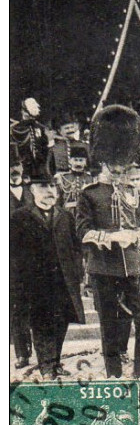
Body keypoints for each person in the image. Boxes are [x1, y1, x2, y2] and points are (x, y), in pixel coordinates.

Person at [76, 105, 140, 379]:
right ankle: (114, 375)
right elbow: (83, 232)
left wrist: (139, 233)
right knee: (110, 326)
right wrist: (110, 238)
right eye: (117, 166)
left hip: (133, 266)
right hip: (104, 268)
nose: (121, 170)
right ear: (105, 162)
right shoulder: (90, 193)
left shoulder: (133, 190)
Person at [11, 158, 85, 378]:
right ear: (32, 190)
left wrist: (78, 274)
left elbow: (75, 247)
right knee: (42, 324)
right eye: (43, 187)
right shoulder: (19, 217)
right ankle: (46, 368)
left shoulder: (65, 216)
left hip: (63, 280)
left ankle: (55, 362)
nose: (49, 191)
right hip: (35, 284)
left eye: (52, 186)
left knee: (61, 322)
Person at [10, 159, 34, 368]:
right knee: (16, 307)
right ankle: (22, 353)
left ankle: (45, 353)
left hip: (34, 256)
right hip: (10, 259)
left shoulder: (31, 192)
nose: (14, 170)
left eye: (17, 165)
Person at [54, 144, 95, 211]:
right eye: (75, 160)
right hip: (67, 213)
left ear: (85, 162)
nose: (78, 163)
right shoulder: (62, 178)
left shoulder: (91, 179)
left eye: (81, 160)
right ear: (70, 161)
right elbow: (57, 201)